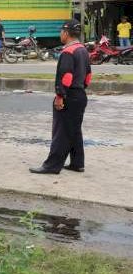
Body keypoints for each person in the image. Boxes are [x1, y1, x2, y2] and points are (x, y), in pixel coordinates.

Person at [30, 20, 92, 175]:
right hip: (80, 95)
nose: (60, 34)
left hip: (68, 95)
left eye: (61, 32)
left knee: (61, 132)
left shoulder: (68, 52)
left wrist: (60, 96)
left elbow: (66, 77)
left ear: (66, 33)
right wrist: (79, 89)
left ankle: (52, 166)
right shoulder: (82, 49)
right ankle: (77, 163)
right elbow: (88, 77)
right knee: (74, 130)